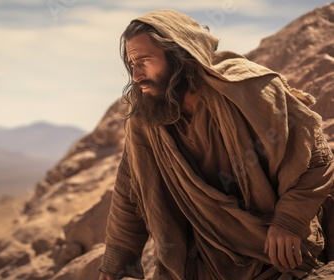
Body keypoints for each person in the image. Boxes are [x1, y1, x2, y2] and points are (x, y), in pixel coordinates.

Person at [98, 9, 334, 280]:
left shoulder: (247, 89)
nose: (136, 74)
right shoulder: (147, 119)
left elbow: (316, 157)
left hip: (276, 249)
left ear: (179, 55)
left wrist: (289, 221)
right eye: (131, 64)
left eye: (145, 61)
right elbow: (132, 189)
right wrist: (117, 262)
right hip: (207, 259)